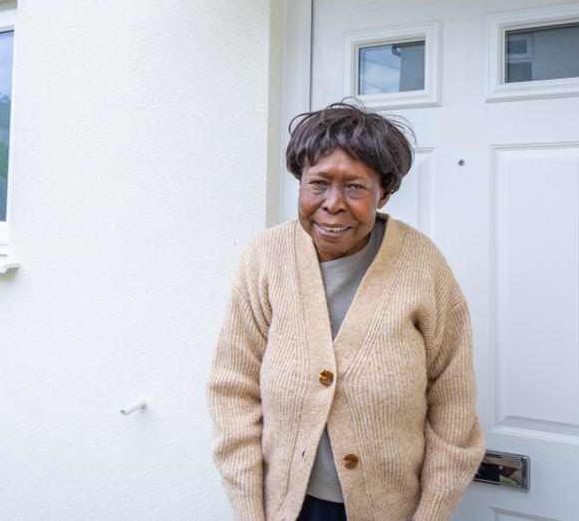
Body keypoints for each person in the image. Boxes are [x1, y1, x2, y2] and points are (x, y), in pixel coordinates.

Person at [207, 102, 484, 521]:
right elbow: (234, 392)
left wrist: (431, 515)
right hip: (285, 508)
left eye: (355, 187)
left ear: (384, 192)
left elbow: (454, 408)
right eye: (318, 183)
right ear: (300, 183)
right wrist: (250, 511)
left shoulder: (422, 264)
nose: (333, 204)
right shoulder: (265, 258)